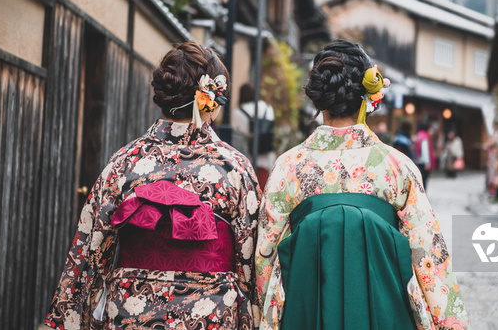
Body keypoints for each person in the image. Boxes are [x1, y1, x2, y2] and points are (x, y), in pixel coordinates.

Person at [255, 40, 468, 330]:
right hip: (385, 313)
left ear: (318, 101)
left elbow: (264, 259)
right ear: (368, 96)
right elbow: (428, 256)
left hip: (306, 312)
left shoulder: (289, 167)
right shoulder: (397, 167)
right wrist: (449, 323)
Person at [45, 42, 260, 330]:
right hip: (210, 314)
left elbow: (89, 252)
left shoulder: (125, 162)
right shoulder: (234, 168)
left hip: (131, 313)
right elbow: (250, 262)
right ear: (209, 100)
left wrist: (75, 315)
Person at [232, 82, 277, 186]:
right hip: (267, 156)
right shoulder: (268, 108)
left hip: (248, 157)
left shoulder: (238, 112)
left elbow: (238, 135)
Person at [415, 121, 435, 189]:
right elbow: (425, 150)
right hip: (423, 162)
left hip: (418, 160)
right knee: (424, 180)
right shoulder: (425, 137)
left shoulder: (419, 135)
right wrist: (427, 163)